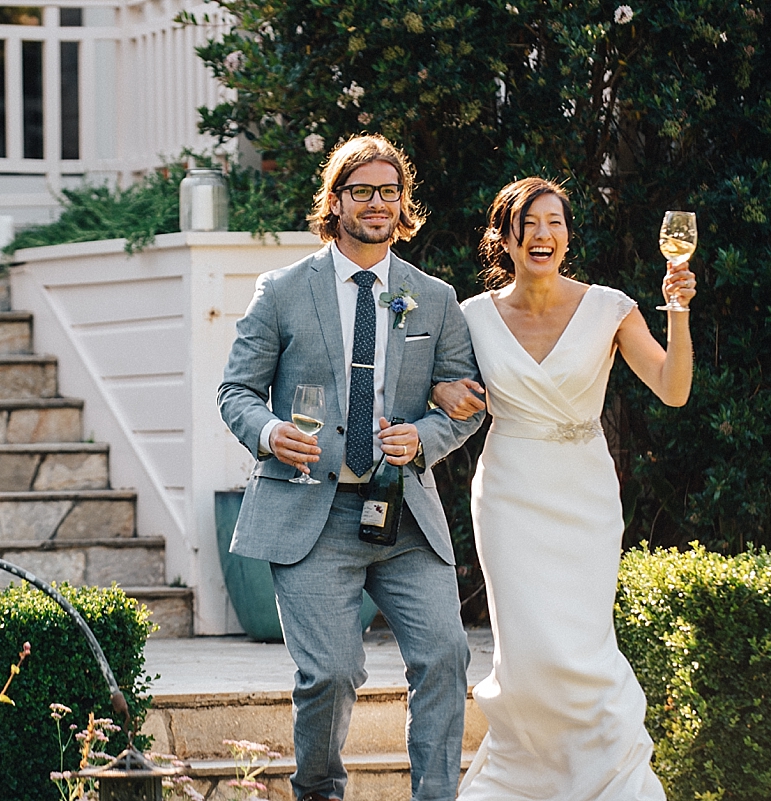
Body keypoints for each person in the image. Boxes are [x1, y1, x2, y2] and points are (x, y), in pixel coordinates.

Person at [217, 134, 484, 801]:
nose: (376, 203)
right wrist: (272, 431)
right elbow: (236, 391)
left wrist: (422, 435)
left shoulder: (433, 296)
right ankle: (318, 791)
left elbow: (466, 400)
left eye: (388, 191)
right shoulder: (281, 291)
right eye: (361, 190)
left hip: (402, 516)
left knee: (446, 653)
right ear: (335, 201)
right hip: (311, 512)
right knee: (331, 674)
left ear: (402, 202)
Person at [433, 177, 694, 800]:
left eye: (554, 222)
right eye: (528, 223)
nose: (542, 235)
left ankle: (607, 782)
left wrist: (677, 310)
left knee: (582, 647)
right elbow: (435, 386)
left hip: (585, 498)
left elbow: (673, 388)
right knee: (527, 654)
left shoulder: (611, 307)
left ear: (568, 235)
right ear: (504, 237)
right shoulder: (471, 317)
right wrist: (443, 391)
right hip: (509, 498)